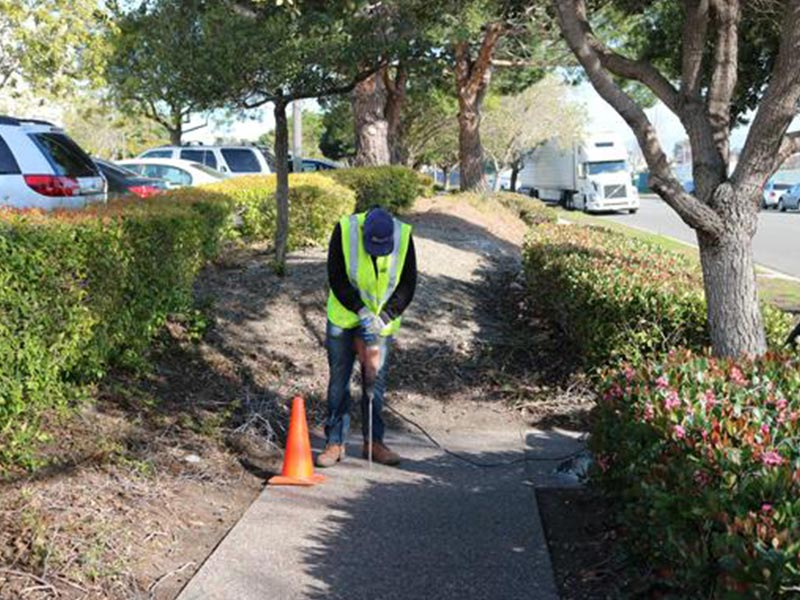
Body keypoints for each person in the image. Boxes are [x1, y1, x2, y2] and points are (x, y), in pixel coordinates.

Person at [316, 206, 417, 468]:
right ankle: (335, 443)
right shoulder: (345, 229)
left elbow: (408, 283)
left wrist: (384, 316)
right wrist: (360, 310)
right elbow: (336, 276)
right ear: (364, 233)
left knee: (375, 383)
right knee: (339, 380)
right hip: (343, 319)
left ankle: (374, 443)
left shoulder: (404, 235)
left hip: (380, 322)